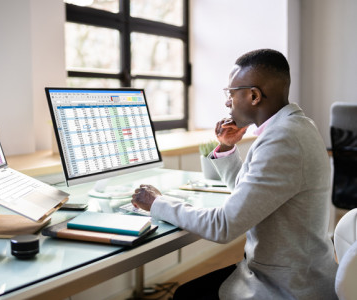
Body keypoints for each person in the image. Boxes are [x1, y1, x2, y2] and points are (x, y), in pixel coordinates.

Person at [131, 49, 338, 299]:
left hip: (289, 286)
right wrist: (228, 147)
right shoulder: (294, 126)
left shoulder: (284, 139)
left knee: (186, 294)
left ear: (253, 96)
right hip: (290, 271)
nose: (227, 102)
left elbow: (224, 226)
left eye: (230, 93)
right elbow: (250, 195)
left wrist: (157, 203)